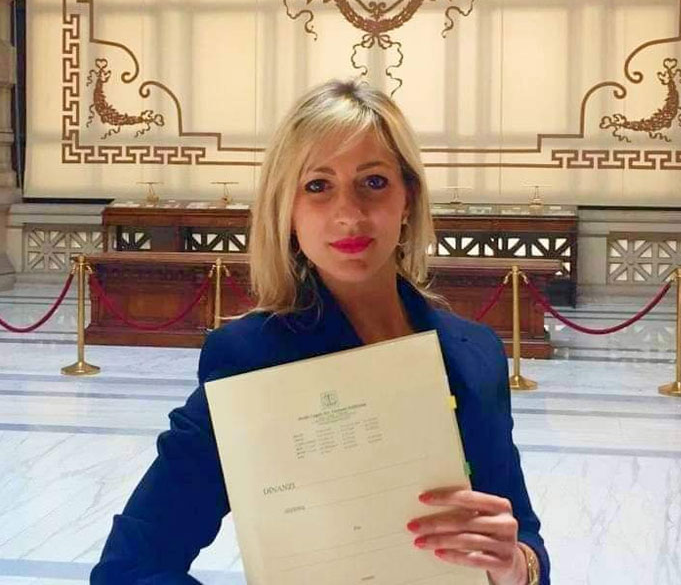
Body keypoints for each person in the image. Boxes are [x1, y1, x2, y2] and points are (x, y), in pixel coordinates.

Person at [91, 79, 551, 585]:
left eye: (373, 181)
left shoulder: (476, 353)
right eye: (317, 186)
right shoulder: (250, 360)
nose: (349, 214)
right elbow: (130, 568)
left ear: (408, 198)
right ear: (287, 211)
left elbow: (523, 537)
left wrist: (517, 566)